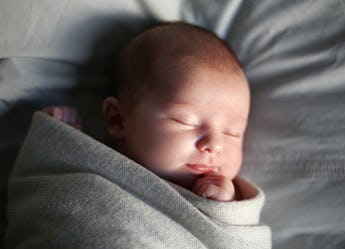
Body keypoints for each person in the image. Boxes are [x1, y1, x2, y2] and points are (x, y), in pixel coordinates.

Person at [43, 22, 252, 202]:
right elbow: (54, 184)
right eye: (186, 121)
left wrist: (224, 205)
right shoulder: (93, 161)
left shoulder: (229, 195)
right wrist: (62, 140)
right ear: (117, 120)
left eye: (231, 132)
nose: (214, 145)